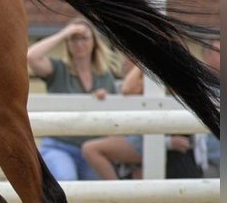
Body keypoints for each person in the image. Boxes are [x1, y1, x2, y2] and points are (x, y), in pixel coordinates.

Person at [82, 39, 219, 180]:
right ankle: (119, 192)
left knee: (92, 149)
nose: (125, 62)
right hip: (152, 141)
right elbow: (126, 90)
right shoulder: (147, 79)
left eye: (131, 58)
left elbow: (128, 89)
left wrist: (145, 57)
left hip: (171, 150)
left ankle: (117, 193)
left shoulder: (167, 78)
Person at [26, 18, 119, 181]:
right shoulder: (58, 69)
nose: (79, 43)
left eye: (84, 38)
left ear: (94, 42)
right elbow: (32, 57)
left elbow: (115, 117)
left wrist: (104, 99)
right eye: (73, 39)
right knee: (66, 179)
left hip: (91, 149)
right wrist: (65, 33)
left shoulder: (105, 76)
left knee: (98, 191)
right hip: (58, 146)